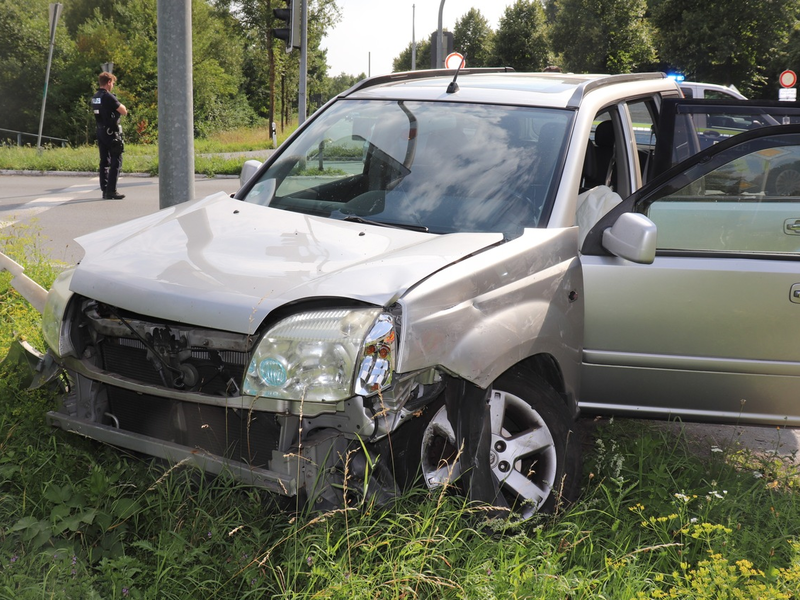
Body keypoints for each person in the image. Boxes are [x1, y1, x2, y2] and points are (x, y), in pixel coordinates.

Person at [91, 72, 128, 200]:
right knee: (116, 160)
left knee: (104, 162)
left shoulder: (95, 97)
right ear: (108, 82)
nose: (112, 85)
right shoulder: (108, 96)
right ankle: (111, 191)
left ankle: (105, 189)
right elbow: (123, 111)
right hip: (110, 133)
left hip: (100, 131)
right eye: (112, 83)